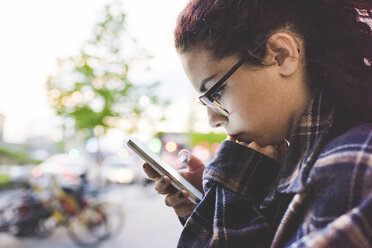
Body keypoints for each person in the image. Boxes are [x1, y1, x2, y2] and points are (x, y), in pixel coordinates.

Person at [143, 0, 372, 247]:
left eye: (216, 94)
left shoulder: (352, 166)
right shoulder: (300, 162)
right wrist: (211, 206)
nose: (213, 120)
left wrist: (233, 191)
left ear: (281, 55)